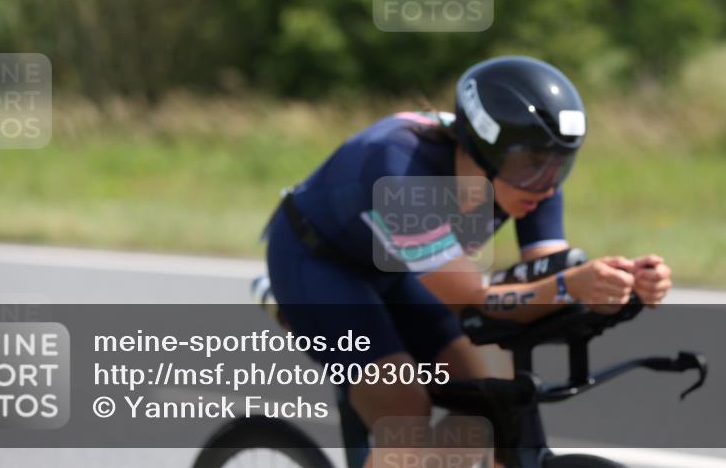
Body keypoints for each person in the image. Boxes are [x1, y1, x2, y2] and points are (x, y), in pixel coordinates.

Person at [264, 56, 672, 467]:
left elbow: (548, 276)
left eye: (559, 165)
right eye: (530, 164)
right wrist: (569, 286)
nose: (546, 185)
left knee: (491, 396)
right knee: (405, 411)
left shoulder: (534, 180)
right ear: (480, 149)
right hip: (320, 266)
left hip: (399, 269)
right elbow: (474, 301)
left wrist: (620, 286)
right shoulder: (401, 170)